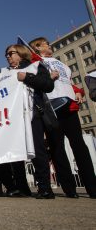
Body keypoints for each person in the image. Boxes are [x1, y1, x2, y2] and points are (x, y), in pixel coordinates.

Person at [30, 37, 96, 198]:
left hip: (69, 107)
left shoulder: (62, 64)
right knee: (57, 147)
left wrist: (78, 91)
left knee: (79, 146)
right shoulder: (35, 62)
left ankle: (92, 187)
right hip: (51, 108)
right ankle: (69, 188)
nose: (49, 44)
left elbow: (66, 82)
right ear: (37, 48)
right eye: (45, 43)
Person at [0, 44, 58, 199]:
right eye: (6, 55)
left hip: (32, 113)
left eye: (11, 53)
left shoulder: (35, 66)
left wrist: (27, 77)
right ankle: (22, 188)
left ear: (22, 53)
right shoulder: (3, 73)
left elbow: (48, 85)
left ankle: (44, 188)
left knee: (38, 151)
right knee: (15, 154)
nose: (8, 57)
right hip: (11, 117)